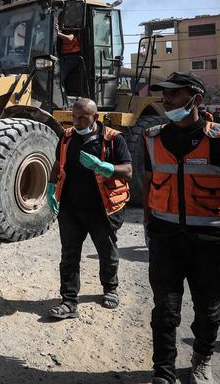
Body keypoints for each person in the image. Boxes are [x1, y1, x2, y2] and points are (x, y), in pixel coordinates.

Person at [142, 72, 220, 384]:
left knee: (207, 310)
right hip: (165, 240)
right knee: (164, 311)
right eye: (165, 93)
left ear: (196, 99)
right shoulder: (152, 137)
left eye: (175, 93)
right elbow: (150, 180)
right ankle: (163, 372)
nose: (167, 99)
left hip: (210, 241)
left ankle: (201, 360)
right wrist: (149, 220)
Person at [44, 98, 131, 319]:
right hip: (71, 208)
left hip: (102, 208)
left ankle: (110, 288)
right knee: (69, 255)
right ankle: (69, 301)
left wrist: (105, 167)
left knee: (106, 251)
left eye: (83, 117)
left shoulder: (112, 139)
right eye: (74, 116)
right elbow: (58, 163)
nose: (77, 121)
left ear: (96, 116)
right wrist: (51, 186)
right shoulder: (66, 137)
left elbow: (128, 170)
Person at [57, 24, 83, 97]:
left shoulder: (75, 29)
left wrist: (58, 33)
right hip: (63, 56)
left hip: (73, 56)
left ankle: (62, 96)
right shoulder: (63, 30)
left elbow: (69, 38)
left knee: (59, 78)